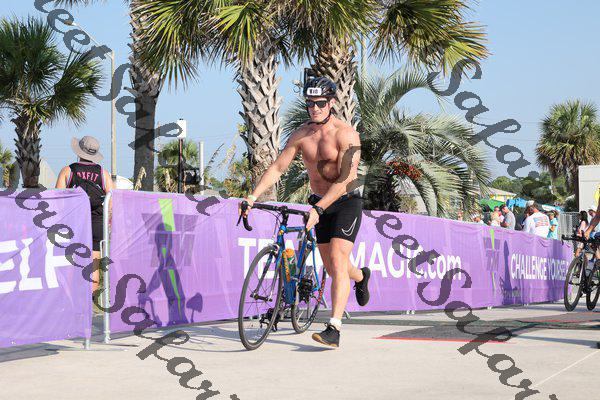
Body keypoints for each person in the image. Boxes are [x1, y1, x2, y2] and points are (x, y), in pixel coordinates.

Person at [238, 77, 370, 348]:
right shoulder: (301, 135)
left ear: (331, 103)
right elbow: (277, 168)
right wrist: (252, 196)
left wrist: (319, 209)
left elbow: (347, 178)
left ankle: (334, 328)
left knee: (337, 258)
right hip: (318, 202)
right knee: (333, 267)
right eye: (310, 103)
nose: (315, 108)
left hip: (346, 201)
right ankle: (360, 276)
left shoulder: (347, 134)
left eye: (320, 103)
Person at [56, 136, 113, 293]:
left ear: (79, 151)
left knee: (71, 261)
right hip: (97, 223)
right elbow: (111, 200)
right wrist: (107, 220)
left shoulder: (68, 171)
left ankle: (70, 297)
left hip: (74, 221)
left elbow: (58, 199)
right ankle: (89, 299)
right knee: (94, 263)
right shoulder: (103, 173)